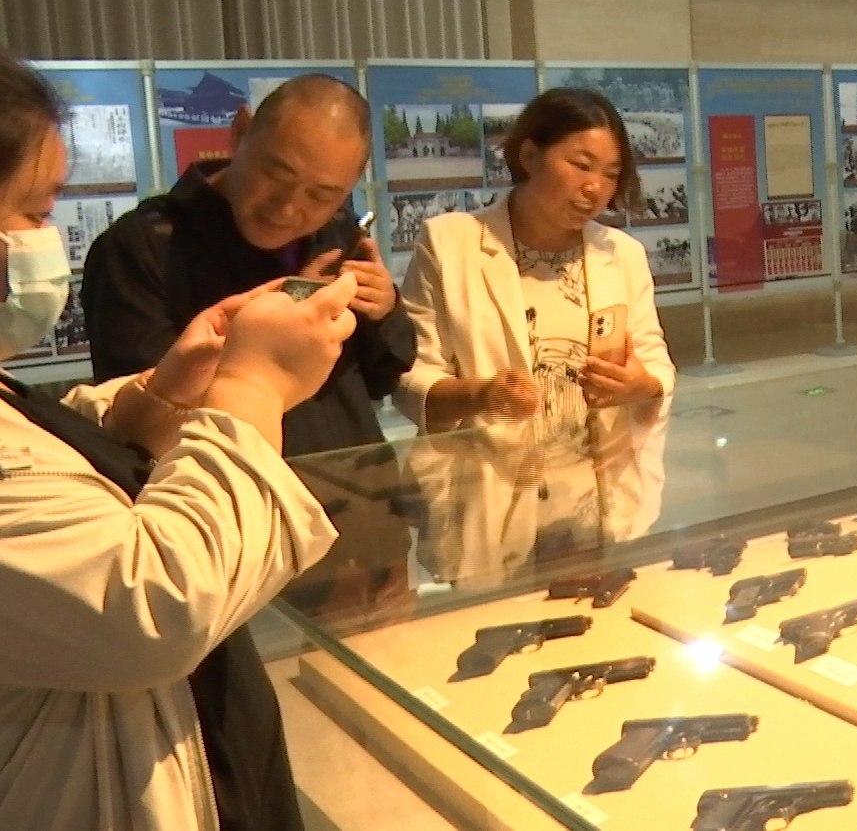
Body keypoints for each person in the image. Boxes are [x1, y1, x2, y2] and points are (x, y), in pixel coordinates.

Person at [0, 56, 356, 831]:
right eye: (34, 209)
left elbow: (41, 456)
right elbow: (154, 605)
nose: (45, 237)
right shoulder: (146, 243)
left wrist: (164, 394)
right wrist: (252, 387)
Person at [82, 73, 418, 622]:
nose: (288, 208)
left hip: (367, 524)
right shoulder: (142, 246)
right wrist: (266, 328)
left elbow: (383, 378)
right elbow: (137, 422)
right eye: (276, 173)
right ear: (240, 134)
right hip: (238, 547)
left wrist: (385, 311)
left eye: (321, 194)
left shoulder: (337, 233)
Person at [396, 87, 675, 586]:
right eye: (581, 165)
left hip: (595, 501)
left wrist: (644, 386)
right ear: (529, 155)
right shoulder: (452, 242)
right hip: (490, 492)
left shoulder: (621, 254)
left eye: (611, 174)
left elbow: (654, 359)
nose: (594, 188)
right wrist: (480, 395)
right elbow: (412, 375)